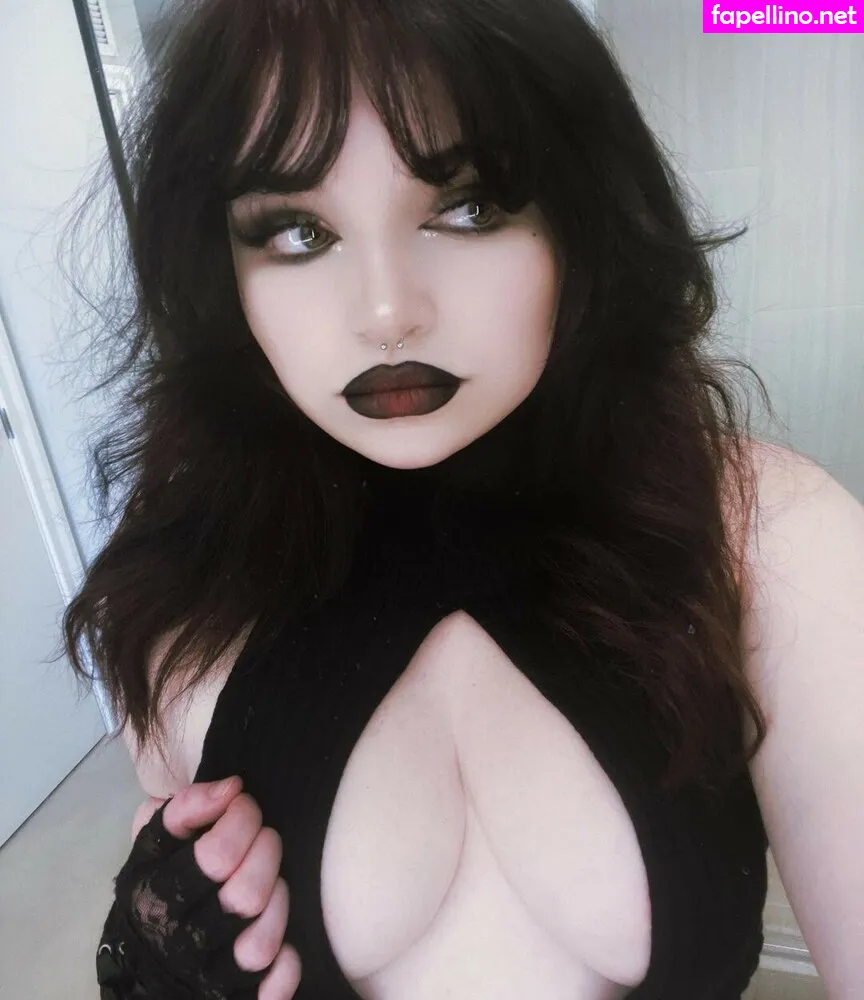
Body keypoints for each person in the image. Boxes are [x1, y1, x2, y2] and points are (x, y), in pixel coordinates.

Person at [62, 0, 864, 998]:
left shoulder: (770, 536)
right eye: (299, 231)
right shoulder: (179, 591)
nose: (388, 311)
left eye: (469, 207)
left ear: (580, 218)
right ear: (222, 268)